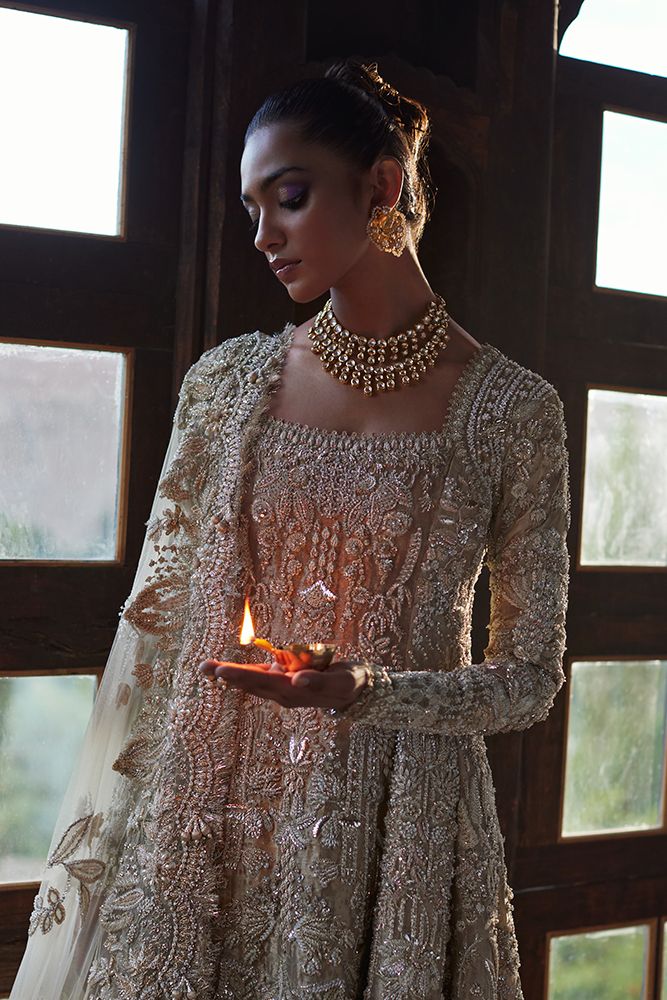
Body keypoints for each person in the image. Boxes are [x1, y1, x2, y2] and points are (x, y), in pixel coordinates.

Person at [10, 61, 570, 999]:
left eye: (291, 198)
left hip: (399, 847)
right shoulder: (226, 388)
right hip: (206, 828)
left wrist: (366, 691)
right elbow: (154, 640)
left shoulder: (513, 413)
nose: (264, 236)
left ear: (383, 188)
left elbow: (528, 681)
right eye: (251, 208)